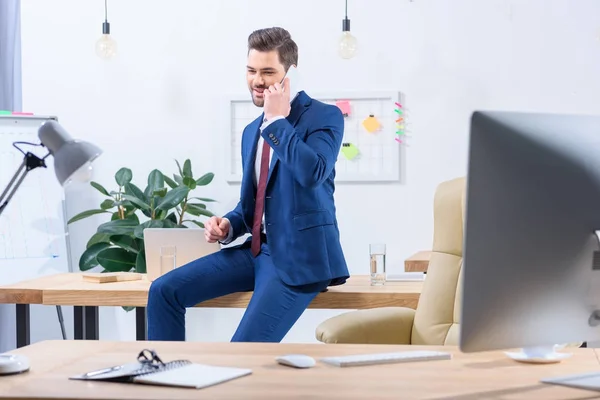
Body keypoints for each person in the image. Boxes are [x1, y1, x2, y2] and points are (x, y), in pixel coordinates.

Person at [146, 27, 349, 342]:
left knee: (240, 351)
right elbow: (254, 205)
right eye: (251, 71)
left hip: (299, 260)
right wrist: (227, 225)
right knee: (163, 291)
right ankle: (166, 380)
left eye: (268, 72)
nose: (257, 80)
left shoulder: (325, 117)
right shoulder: (252, 131)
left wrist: (278, 121)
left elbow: (313, 173)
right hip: (255, 251)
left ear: (289, 73)